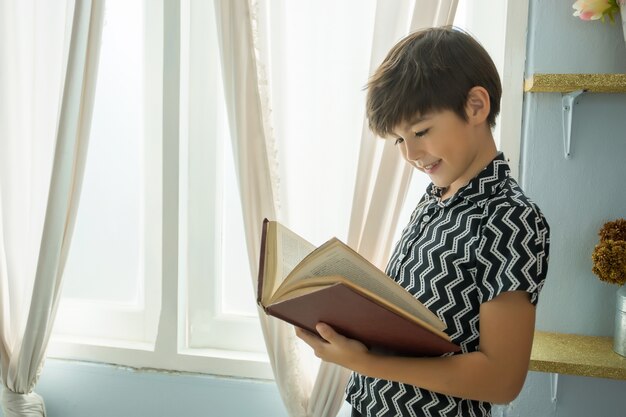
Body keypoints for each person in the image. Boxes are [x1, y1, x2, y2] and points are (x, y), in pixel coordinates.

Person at [295, 26, 550, 417]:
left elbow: (502, 379)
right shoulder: (436, 198)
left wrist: (364, 363)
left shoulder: (511, 218)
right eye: (400, 140)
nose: (411, 153)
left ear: (476, 107)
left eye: (420, 131)